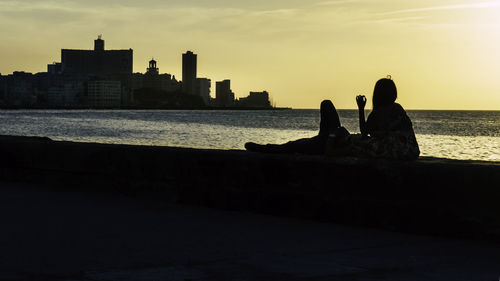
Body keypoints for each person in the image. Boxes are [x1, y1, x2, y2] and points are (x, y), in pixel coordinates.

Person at [245, 77, 420, 160]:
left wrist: (360, 109)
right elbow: (367, 134)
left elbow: (366, 132)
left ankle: (269, 149)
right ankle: (270, 148)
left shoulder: (381, 114)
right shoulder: (398, 111)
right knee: (306, 143)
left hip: (338, 145)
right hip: (361, 146)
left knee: (306, 142)